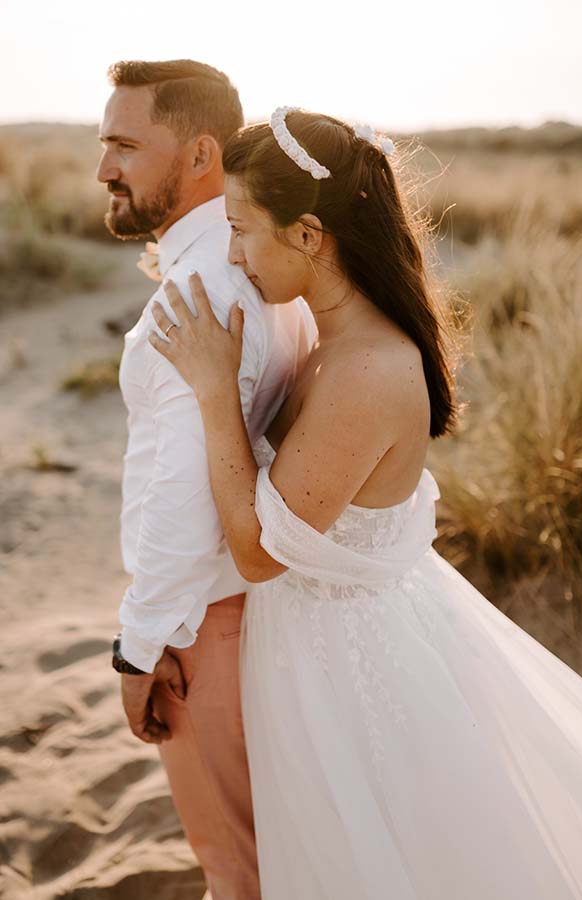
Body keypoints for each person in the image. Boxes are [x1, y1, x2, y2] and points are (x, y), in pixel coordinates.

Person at [150, 107, 582, 899]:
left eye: (242, 229)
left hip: (357, 673)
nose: (232, 252)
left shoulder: (365, 369)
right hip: (312, 651)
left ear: (309, 236)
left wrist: (216, 391)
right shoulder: (325, 332)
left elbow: (259, 551)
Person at [97, 65, 315, 900]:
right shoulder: (258, 268)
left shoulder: (200, 292)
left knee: (239, 868)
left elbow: (181, 492)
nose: (103, 168)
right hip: (248, 613)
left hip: (204, 628)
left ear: (199, 154)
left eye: (123, 144)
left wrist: (140, 645)